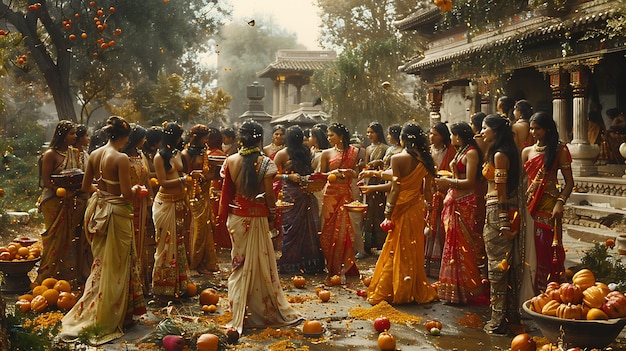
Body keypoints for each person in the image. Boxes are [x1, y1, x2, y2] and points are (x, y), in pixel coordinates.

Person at [60, 116, 146, 345]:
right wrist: (138, 189)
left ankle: (104, 307)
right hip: (116, 213)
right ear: (125, 137)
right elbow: (127, 194)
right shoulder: (120, 158)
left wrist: (104, 192)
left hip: (97, 209)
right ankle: (108, 315)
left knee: (101, 262)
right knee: (115, 266)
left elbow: (86, 186)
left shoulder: (95, 154)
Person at [218, 120, 302, 334]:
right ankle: (259, 308)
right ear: (259, 138)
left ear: (241, 138)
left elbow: (226, 194)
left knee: (239, 264)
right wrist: (273, 216)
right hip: (257, 218)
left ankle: (238, 307)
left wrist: (221, 219)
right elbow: (269, 195)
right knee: (260, 264)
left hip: (236, 219)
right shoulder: (266, 162)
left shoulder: (230, 160)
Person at [362, 122, 438, 305]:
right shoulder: (426, 159)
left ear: (403, 139)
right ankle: (411, 286)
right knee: (413, 247)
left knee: (396, 247)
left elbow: (396, 188)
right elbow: (427, 190)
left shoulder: (398, 159)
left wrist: (388, 212)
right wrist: (430, 207)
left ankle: (394, 288)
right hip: (417, 208)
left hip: (400, 206)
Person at [434, 122, 486, 304]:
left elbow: (470, 181)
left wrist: (449, 183)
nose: (453, 138)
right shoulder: (461, 151)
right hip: (453, 201)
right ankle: (453, 289)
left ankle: (467, 289)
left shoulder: (471, 153)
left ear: (460, 135)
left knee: (462, 245)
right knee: (451, 245)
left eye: (454, 134)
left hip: (464, 203)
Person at [522, 112, 574, 293]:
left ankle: (548, 291)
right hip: (529, 206)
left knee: (546, 250)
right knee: (530, 250)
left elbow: (569, 182)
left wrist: (561, 202)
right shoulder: (527, 151)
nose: (533, 132)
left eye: (537, 128)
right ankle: (530, 290)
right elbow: (522, 182)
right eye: (531, 128)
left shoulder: (560, 150)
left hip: (549, 206)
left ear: (548, 129)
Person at [480, 114, 521, 334]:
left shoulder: (500, 155)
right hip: (496, 210)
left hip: (499, 212)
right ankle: (509, 315)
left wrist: (504, 223)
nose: (482, 132)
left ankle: (498, 320)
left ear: (495, 130)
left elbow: (503, 192)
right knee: (502, 266)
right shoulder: (499, 152)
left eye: (484, 128)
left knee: (498, 267)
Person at [36, 120, 90, 288]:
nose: (75, 136)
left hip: (70, 200)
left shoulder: (72, 153)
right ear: (62, 135)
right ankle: (46, 277)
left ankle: (65, 279)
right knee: (54, 239)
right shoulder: (50, 154)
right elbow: (46, 181)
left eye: (75, 133)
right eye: (72, 133)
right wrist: (60, 189)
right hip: (53, 201)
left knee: (69, 238)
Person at [273, 125, 325, 274]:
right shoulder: (283, 154)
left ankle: (301, 262)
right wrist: (287, 176)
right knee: (293, 227)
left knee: (304, 227)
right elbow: (273, 174)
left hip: (302, 193)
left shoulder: (304, 152)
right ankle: (297, 261)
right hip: (292, 194)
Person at [151, 122, 192, 300]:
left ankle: (178, 285)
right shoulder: (159, 157)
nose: (180, 140)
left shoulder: (177, 154)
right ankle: (162, 288)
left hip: (179, 202)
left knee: (179, 243)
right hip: (165, 204)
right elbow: (162, 182)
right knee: (166, 245)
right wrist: (183, 180)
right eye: (178, 136)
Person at [319, 123, 361, 279]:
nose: (328, 138)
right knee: (328, 232)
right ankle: (331, 265)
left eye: (331, 135)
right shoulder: (326, 154)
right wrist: (334, 172)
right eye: (328, 135)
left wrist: (351, 172)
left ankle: (346, 265)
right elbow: (321, 176)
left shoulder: (354, 152)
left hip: (345, 194)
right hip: (330, 195)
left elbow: (357, 174)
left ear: (341, 136)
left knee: (345, 232)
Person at [122, 124, 155, 295]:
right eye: (143, 138)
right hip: (127, 203)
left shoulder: (141, 154)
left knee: (141, 241)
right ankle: (128, 285)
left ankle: (142, 284)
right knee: (129, 241)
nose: (145, 141)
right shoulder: (122, 157)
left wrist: (150, 199)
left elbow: (147, 177)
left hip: (141, 204)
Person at [182, 124, 219, 274]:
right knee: (196, 227)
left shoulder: (204, 152)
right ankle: (193, 263)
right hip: (192, 194)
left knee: (206, 227)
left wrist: (213, 173)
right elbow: (183, 176)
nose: (207, 141)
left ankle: (205, 261)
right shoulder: (185, 154)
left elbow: (207, 173)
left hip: (204, 193)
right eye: (205, 138)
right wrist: (196, 177)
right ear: (196, 137)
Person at [425, 122, 455, 278]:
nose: (431, 136)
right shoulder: (428, 152)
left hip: (445, 194)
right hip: (429, 192)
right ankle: (428, 266)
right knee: (429, 227)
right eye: (430, 133)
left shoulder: (451, 152)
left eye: (435, 134)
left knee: (442, 228)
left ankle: (442, 266)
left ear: (443, 136)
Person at [362, 122, 388, 254]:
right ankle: (367, 244)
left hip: (381, 181)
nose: (369, 135)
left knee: (379, 211)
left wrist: (379, 163)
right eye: (368, 132)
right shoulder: (368, 149)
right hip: (369, 181)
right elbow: (366, 166)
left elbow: (387, 166)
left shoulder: (385, 148)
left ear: (378, 133)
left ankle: (380, 243)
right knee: (368, 212)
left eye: (371, 132)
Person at [308, 125, 330, 217]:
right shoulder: (312, 151)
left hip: (318, 188)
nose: (309, 139)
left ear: (315, 139)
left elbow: (320, 173)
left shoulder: (322, 154)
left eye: (310, 136)